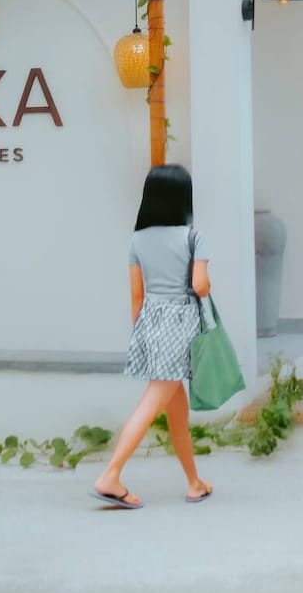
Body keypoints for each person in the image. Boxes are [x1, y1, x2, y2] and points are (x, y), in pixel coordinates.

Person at [91, 163, 213, 509]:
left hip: (149, 323)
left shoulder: (138, 240)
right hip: (180, 324)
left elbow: (136, 296)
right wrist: (205, 282)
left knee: (177, 413)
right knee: (151, 404)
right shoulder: (194, 238)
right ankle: (110, 476)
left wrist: (142, 335)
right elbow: (200, 286)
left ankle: (194, 483)